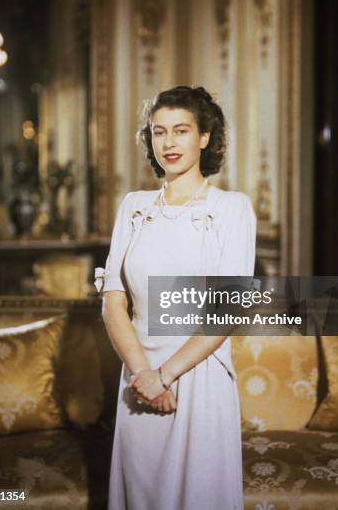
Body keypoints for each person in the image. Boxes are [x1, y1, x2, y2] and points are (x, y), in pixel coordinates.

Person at [95, 85, 257, 510]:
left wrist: (166, 375)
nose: (168, 142)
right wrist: (144, 374)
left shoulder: (232, 209)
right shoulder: (133, 206)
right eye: (159, 131)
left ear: (204, 137)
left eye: (181, 130)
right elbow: (114, 300)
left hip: (198, 376)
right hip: (137, 375)